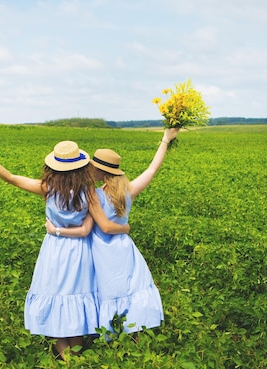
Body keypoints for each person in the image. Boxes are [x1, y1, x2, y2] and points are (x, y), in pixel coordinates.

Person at [0, 140, 128, 359]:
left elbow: (9, 177)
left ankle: (66, 359)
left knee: (54, 296)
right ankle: (77, 355)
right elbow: (85, 231)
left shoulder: (47, 188)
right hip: (79, 252)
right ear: (81, 166)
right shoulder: (89, 192)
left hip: (54, 250)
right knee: (76, 297)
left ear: (53, 166)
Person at [46, 128, 179, 334]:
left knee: (110, 292)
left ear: (99, 171)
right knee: (131, 289)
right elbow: (152, 169)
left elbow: (104, 227)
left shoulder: (93, 194)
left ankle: (112, 335)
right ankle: (136, 338)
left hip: (102, 250)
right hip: (125, 248)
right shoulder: (128, 190)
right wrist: (165, 140)